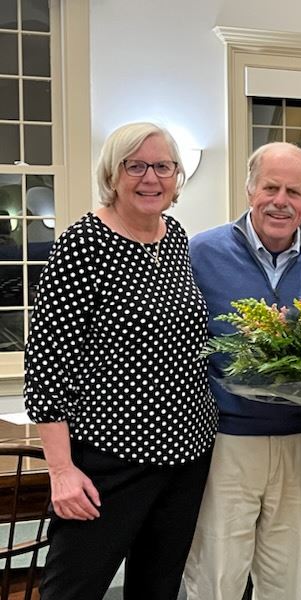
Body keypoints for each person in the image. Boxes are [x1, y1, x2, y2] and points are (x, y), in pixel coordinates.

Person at [23, 122, 217, 600]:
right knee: (73, 589)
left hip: (187, 454)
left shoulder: (174, 236)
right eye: (136, 166)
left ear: (177, 178)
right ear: (113, 174)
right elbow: (46, 368)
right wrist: (62, 471)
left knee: (157, 587)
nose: (150, 178)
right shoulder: (82, 245)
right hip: (110, 458)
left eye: (163, 166)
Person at [183, 142, 301, 600]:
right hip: (227, 442)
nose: (280, 200)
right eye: (270, 187)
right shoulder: (201, 252)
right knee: (216, 575)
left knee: (285, 579)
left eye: (294, 190)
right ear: (250, 189)